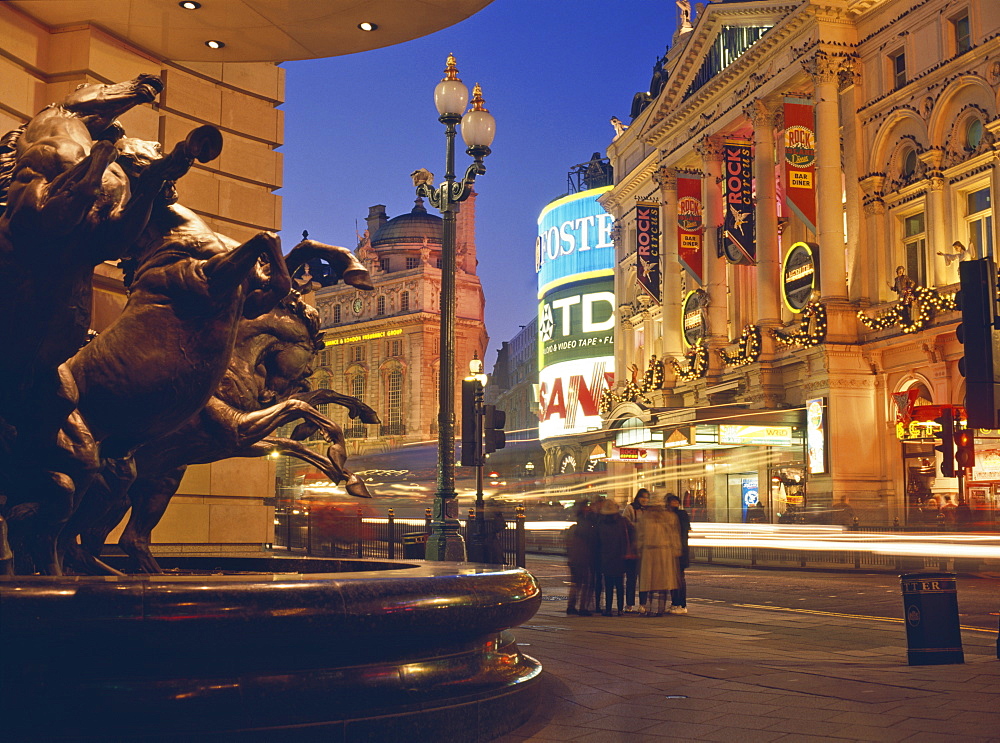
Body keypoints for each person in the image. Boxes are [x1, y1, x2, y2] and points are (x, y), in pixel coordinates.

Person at [637, 502, 681, 616]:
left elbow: (674, 534)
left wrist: (676, 549)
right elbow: (640, 535)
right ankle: (650, 607)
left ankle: (659, 608)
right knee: (650, 582)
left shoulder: (669, 517)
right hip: (651, 553)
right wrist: (639, 547)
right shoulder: (645, 518)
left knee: (662, 583)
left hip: (663, 553)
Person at [596, 499, 629, 616]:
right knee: (619, 585)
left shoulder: (601, 523)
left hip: (606, 557)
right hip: (620, 557)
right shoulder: (622, 522)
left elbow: (598, 542)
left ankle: (609, 609)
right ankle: (620, 609)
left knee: (609, 585)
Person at [565, 499, 595, 616]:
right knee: (586, 583)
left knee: (575, 583)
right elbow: (590, 540)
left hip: (574, 557)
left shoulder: (574, 526)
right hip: (584, 557)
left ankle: (571, 606)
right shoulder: (586, 524)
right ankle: (583, 607)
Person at [621, 488, 649, 612]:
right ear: (638, 497)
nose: (645, 499)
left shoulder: (649, 510)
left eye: (647, 497)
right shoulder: (630, 508)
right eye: (643, 497)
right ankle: (629, 604)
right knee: (631, 578)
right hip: (632, 549)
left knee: (644, 579)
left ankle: (643, 604)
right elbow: (625, 524)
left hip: (645, 550)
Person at [665, 494, 690, 614]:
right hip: (672, 551)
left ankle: (681, 604)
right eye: (671, 502)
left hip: (680, 551)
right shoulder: (671, 515)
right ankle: (675, 603)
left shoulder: (681, 514)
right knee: (673, 579)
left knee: (679, 578)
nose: (674, 504)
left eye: (675, 502)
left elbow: (682, 532)